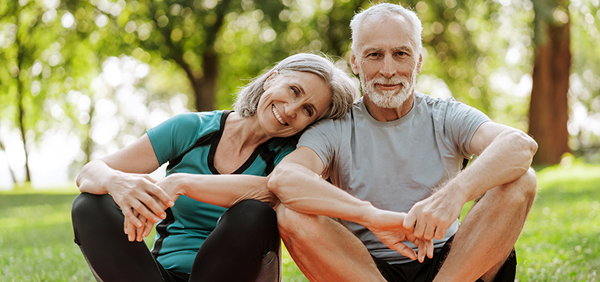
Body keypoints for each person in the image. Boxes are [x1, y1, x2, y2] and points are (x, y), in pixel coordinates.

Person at [267, 3, 538, 282]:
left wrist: (453, 195)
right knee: (292, 212)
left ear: (418, 60)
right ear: (355, 62)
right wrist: (371, 216)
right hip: (364, 270)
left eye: (400, 54)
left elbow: (520, 146)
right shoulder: (334, 127)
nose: (388, 70)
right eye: (374, 55)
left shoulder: (445, 115)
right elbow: (286, 178)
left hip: (453, 266)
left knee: (521, 179)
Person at [71, 53, 359, 282]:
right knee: (89, 204)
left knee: (253, 212)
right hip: (157, 275)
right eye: (294, 90)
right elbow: (89, 172)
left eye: (308, 110)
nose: (291, 109)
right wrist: (116, 182)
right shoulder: (192, 129)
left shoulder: (291, 159)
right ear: (272, 79)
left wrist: (182, 183)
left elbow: (271, 190)